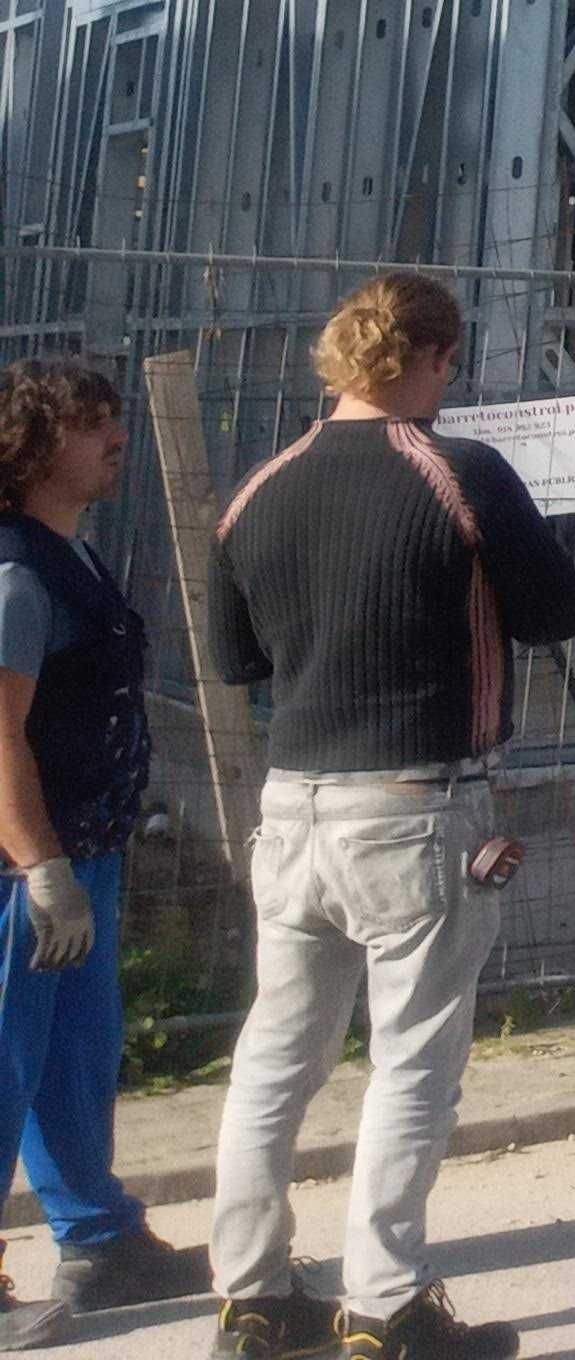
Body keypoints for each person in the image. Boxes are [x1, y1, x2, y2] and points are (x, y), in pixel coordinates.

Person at [203, 276, 575, 1360]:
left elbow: (237, 660)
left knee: (275, 1057)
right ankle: (389, 1304)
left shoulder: (258, 488)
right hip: (420, 806)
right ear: (429, 358)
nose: (451, 381)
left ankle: (255, 1300)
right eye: (451, 362)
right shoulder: (459, 471)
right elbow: (555, 612)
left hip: (293, 807)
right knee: (413, 1060)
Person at [0, 363, 211, 1344]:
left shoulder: (69, 555)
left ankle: (101, 1244)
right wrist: (40, 867)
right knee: (5, 1061)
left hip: (84, 852)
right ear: (34, 445)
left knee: (73, 1057)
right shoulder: (15, 569)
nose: (115, 436)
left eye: (117, 420)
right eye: (92, 425)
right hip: (24, 871)